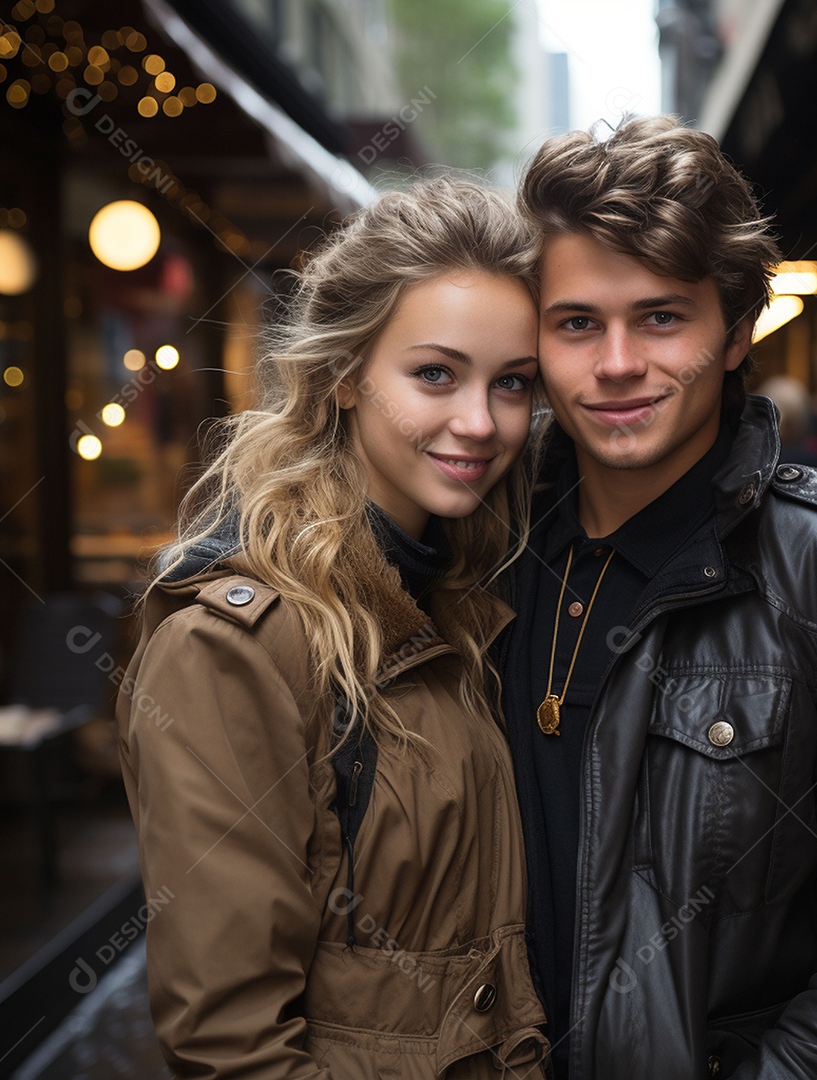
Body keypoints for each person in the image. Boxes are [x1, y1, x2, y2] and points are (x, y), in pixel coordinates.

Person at [495, 116, 817, 1079]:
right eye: (578, 323)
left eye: (662, 317)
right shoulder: (491, 551)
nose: (617, 364)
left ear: (733, 332)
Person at [115, 179, 551, 1078]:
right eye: (435, 374)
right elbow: (229, 1043)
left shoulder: (463, 598)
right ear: (347, 374)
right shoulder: (234, 648)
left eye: (512, 384)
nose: (480, 423)